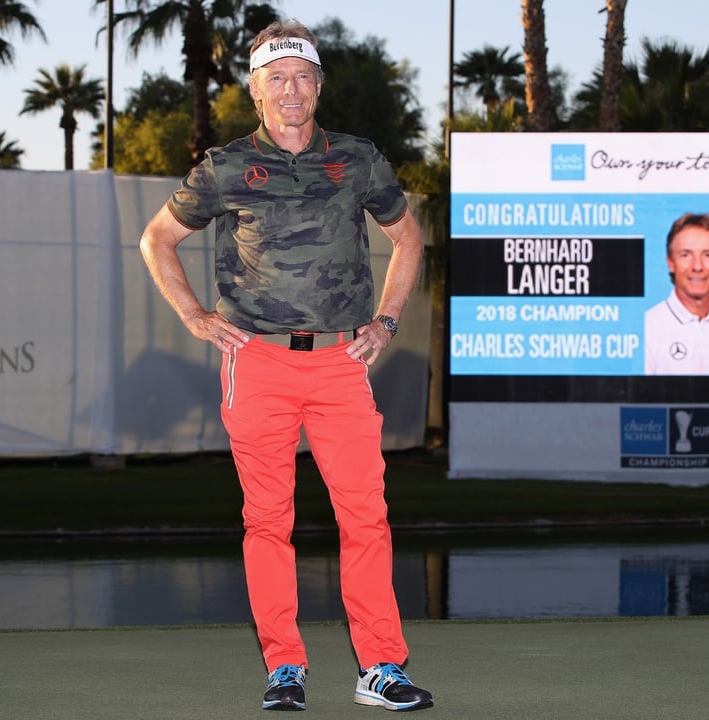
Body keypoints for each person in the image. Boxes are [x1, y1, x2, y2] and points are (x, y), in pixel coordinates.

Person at [138, 20, 433, 713]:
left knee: (366, 516)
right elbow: (157, 240)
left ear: (318, 86)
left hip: (339, 363)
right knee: (267, 520)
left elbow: (408, 238)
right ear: (255, 89)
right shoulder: (226, 165)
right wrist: (193, 315)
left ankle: (381, 667)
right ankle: (285, 668)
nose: (291, 90)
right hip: (257, 361)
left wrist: (385, 321)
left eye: (303, 76)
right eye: (277, 78)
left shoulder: (357, 158)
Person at [643, 212, 709, 374]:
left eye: (707, 255)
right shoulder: (648, 328)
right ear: (671, 263)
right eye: (685, 255)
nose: (697, 266)